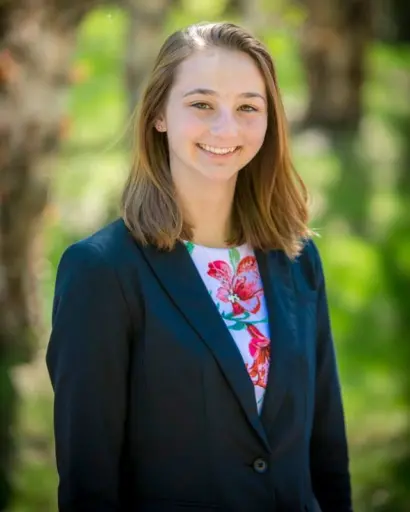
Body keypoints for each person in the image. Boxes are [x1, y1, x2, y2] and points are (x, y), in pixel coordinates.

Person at [46, 21, 352, 512]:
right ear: (159, 115)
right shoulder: (100, 272)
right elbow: (89, 483)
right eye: (202, 105)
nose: (226, 129)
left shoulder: (297, 259)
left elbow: (327, 454)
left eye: (248, 107)